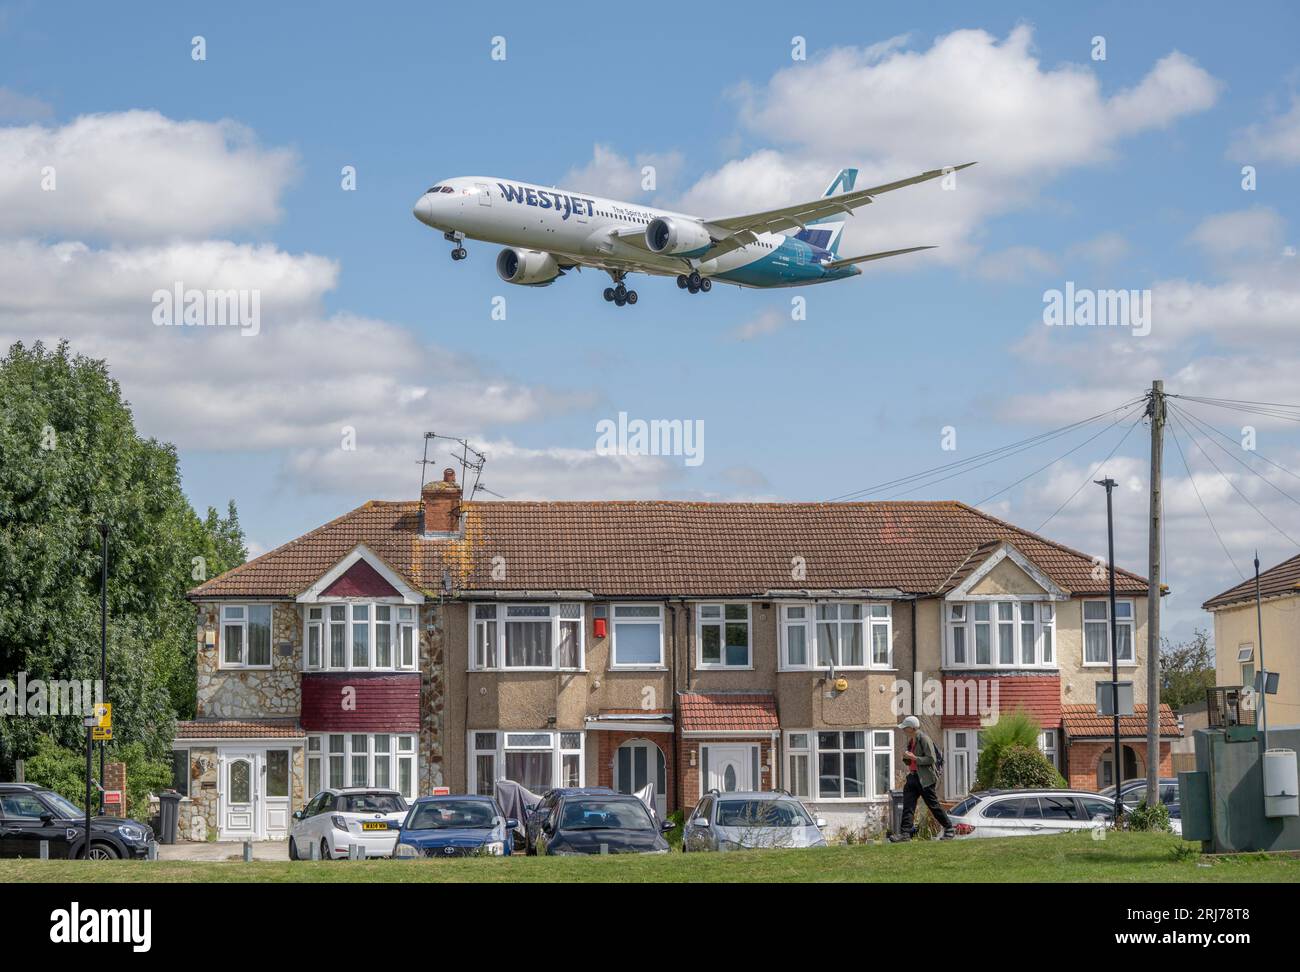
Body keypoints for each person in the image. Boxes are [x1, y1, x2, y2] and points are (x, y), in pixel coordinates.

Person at [888, 715, 956, 841]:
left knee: (933, 805)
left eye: (905, 728)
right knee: (908, 806)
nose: (903, 730)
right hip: (913, 777)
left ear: (912, 728)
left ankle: (949, 829)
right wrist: (906, 757)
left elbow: (931, 759)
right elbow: (910, 761)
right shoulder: (911, 741)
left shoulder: (924, 739)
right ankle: (905, 834)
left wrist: (914, 758)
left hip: (925, 779)